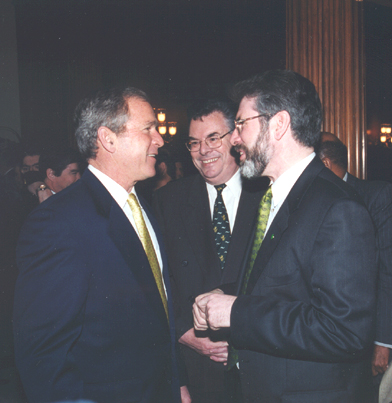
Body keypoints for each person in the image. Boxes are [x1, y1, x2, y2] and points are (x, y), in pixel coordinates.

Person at [193, 70, 377, 402]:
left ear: (278, 124)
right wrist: (224, 294)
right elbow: (282, 285)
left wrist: (236, 312)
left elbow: (344, 331)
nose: (234, 138)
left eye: (240, 124)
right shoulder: (273, 197)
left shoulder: (337, 208)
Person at [13, 87, 190, 403]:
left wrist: (177, 384)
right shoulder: (58, 222)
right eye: (148, 129)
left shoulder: (143, 207)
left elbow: (158, 317)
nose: (160, 140)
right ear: (108, 139)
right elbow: (43, 355)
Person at [153, 98, 266, 403]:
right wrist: (183, 332)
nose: (203, 151)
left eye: (213, 138)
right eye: (194, 143)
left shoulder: (268, 194)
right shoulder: (166, 202)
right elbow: (156, 280)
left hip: (262, 362)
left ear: (236, 138)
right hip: (197, 368)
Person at [317, 133, 392, 394]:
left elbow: (387, 272)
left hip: (366, 339)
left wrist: (383, 343)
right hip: (323, 336)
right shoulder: (309, 199)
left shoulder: (376, 196)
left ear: (324, 163)